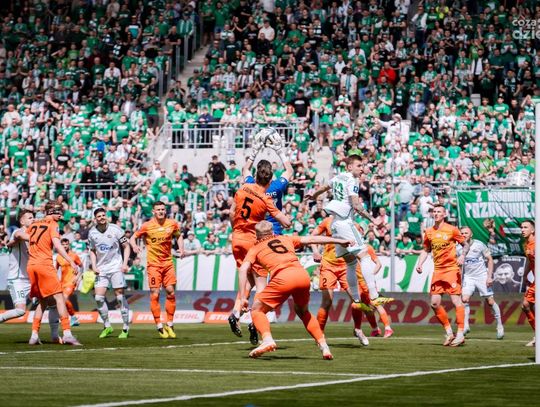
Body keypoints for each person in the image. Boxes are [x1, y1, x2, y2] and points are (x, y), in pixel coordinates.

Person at [238, 220, 353, 359]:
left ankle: (267, 340)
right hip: (302, 275)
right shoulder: (286, 238)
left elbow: (243, 269)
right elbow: (312, 239)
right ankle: (324, 346)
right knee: (303, 311)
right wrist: (339, 241)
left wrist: (243, 297)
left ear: (256, 235)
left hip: (283, 277)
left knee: (257, 310)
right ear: (272, 232)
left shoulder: (255, 248)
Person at [305, 154, 392, 308]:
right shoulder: (352, 180)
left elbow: (324, 187)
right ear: (349, 167)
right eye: (359, 165)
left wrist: (314, 195)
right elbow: (357, 205)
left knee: (351, 262)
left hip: (335, 223)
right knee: (364, 256)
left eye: (362, 165)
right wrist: (373, 220)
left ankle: (356, 300)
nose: (361, 168)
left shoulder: (338, 177)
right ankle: (374, 295)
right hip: (345, 222)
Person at [228, 155, 291, 342]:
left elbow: (231, 212)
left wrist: (251, 155)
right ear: (270, 179)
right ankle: (255, 320)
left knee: (248, 279)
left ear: (255, 176)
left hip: (236, 239)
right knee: (261, 283)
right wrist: (286, 218)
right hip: (252, 241)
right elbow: (285, 222)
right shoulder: (266, 198)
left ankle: (236, 312)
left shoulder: (243, 187)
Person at [26, 202, 82, 345]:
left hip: (31, 265)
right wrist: (71, 260)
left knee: (43, 301)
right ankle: (67, 333)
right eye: (58, 212)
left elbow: (28, 241)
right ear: (51, 211)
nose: (61, 215)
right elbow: (57, 245)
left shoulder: (34, 224)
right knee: (60, 298)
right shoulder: (53, 225)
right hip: (44, 265)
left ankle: (34, 335)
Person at [311, 216, 371, 346]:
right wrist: (315, 251)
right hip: (328, 265)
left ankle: (358, 329)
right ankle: (319, 335)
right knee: (327, 301)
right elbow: (313, 236)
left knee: (357, 300)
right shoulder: (327, 221)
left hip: (346, 266)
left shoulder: (353, 224)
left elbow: (359, 245)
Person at [416, 205, 469, 347]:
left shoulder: (452, 229)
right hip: (438, 271)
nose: (436, 214)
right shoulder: (429, 231)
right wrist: (420, 263)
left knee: (456, 301)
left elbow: (466, 245)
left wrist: (463, 256)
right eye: (434, 212)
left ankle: (460, 334)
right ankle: (449, 333)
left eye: (439, 211)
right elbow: (426, 250)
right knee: (434, 304)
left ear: (444, 214)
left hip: (451, 269)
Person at [130, 201, 184, 339]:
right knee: (155, 293)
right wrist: (134, 246)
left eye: (163, 209)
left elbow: (179, 236)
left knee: (171, 292)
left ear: (165, 211)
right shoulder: (147, 226)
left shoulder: (172, 224)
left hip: (168, 263)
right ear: (153, 212)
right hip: (154, 265)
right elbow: (133, 237)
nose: (161, 211)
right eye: (158, 209)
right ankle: (159, 326)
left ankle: (170, 324)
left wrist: (181, 249)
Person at [88, 208, 131, 339]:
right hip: (101, 269)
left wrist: (124, 264)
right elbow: (92, 251)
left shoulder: (115, 229)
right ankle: (107, 326)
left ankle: (125, 327)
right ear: (95, 219)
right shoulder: (92, 233)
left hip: (116, 267)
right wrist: (94, 266)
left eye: (103, 215)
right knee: (98, 298)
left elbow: (126, 246)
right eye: (99, 216)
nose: (101, 217)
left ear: (106, 216)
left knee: (119, 297)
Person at [459, 227, 504, 339]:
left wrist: (489, 277)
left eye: (466, 233)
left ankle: (499, 325)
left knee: (490, 301)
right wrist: (459, 280)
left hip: (482, 276)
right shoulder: (458, 247)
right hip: (468, 277)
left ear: (471, 234)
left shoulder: (479, 244)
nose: (464, 235)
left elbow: (490, 259)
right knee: (464, 300)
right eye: (462, 233)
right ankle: (466, 326)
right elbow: (459, 266)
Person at [1, 210, 35, 323]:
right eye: (30, 218)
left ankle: (39, 333)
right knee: (20, 311)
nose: (33, 219)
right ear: (22, 221)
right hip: (17, 279)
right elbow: (19, 235)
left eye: (33, 217)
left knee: (50, 301)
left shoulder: (34, 234)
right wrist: (39, 239)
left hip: (30, 279)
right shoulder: (18, 231)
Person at [55, 238, 83, 327]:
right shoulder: (58, 257)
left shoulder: (74, 255)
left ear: (69, 245)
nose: (65, 246)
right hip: (62, 282)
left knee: (64, 298)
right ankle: (72, 318)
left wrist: (78, 277)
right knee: (61, 300)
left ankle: (73, 317)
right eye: (63, 244)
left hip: (71, 281)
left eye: (66, 244)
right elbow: (56, 270)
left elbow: (81, 267)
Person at [520, 220, 535, 347]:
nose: (522, 230)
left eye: (525, 227)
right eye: (522, 227)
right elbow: (530, 261)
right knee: (526, 305)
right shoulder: (526, 245)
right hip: (535, 281)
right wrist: (525, 274)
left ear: (533, 230)